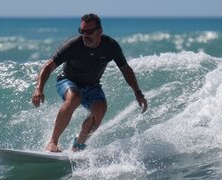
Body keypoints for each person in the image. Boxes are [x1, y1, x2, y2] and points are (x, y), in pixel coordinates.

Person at [31, 13, 148, 152]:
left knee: (98, 113)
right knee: (74, 97)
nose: (85, 35)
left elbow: (125, 69)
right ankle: (52, 142)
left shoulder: (110, 46)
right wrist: (39, 88)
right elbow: (48, 66)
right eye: (82, 31)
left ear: (100, 31)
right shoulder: (73, 45)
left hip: (92, 86)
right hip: (67, 81)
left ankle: (78, 146)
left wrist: (138, 93)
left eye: (89, 32)